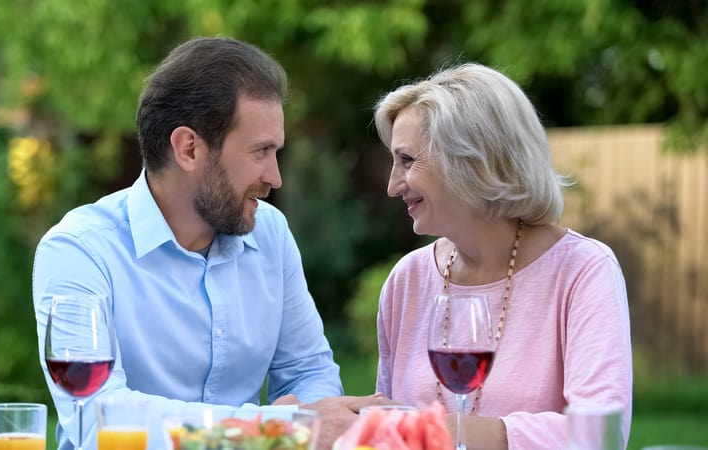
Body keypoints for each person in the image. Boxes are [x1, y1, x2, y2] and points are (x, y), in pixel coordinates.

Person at [33, 36, 377, 450]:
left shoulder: (270, 234)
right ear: (189, 148)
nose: (275, 177)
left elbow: (308, 371)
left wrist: (303, 419)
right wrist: (275, 430)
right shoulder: (79, 251)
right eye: (261, 151)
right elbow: (100, 418)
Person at [371, 63, 633, 449]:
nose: (393, 185)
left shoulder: (584, 271)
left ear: (473, 161)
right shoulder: (407, 279)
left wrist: (447, 433)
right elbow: (389, 423)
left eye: (407, 160)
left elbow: (600, 435)